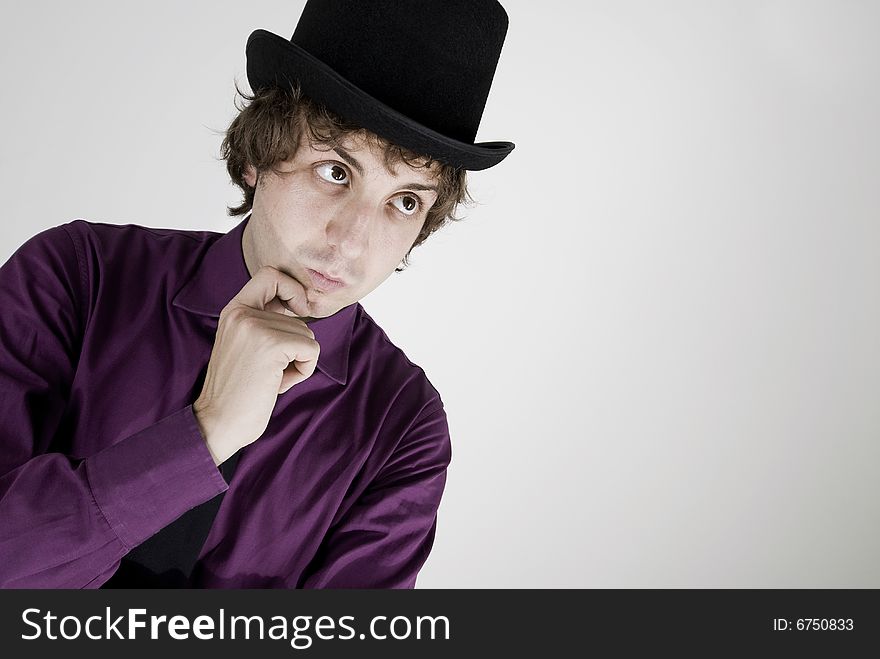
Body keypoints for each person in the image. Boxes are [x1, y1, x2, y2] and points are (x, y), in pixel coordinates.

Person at [0, 0, 514, 588]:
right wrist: (208, 430)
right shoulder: (75, 276)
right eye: (335, 171)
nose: (351, 242)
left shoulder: (401, 426)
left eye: (405, 202)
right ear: (256, 156)